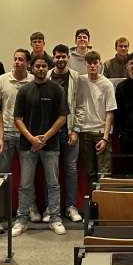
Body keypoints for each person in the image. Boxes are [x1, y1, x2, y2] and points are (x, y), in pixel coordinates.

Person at [13, 56, 67, 235]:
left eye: (44, 66)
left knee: (53, 184)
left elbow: (62, 117)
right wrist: (31, 139)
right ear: (32, 67)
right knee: (25, 185)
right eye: (38, 66)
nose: (41, 69)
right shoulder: (24, 90)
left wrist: (45, 137)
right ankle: (21, 220)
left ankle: (55, 218)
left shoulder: (57, 89)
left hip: (51, 145)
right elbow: (17, 118)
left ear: (47, 68)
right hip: (27, 145)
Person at [50, 44, 82, 222]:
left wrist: (75, 129)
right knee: (51, 171)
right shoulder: (46, 75)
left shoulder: (76, 77)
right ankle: (51, 208)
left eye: (64, 56)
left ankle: (71, 206)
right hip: (51, 132)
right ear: (53, 58)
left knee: (71, 170)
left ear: (68, 57)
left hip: (69, 131)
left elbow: (80, 106)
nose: (61, 59)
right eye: (58, 56)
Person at [75, 50, 117, 185]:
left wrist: (105, 137)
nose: (92, 66)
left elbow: (110, 112)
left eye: (95, 63)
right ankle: (92, 197)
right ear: (85, 64)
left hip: (101, 132)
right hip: (84, 131)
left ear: (100, 64)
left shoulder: (107, 84)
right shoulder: (80, 80)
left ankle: (104, 198)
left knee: (104, 173)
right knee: (89, 173)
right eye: (89, 63)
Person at [0, 49, 32, 180]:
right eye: (15, 59)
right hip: (7, 132)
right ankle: (0, 195)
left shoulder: (33, 80)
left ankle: (26, 195)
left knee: (27, 176)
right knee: (1, 175)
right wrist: (0, 135)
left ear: (28, 63)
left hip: (26, 133)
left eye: (21, 59)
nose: (17, 62)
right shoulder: (1, 80)